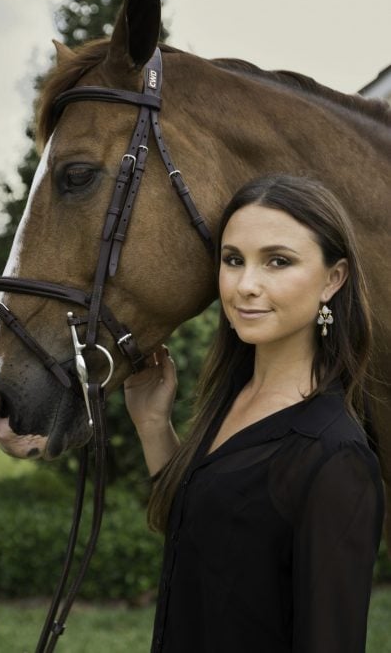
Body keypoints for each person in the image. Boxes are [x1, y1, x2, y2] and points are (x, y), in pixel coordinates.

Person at [124, 174, 385, 653]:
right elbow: (196, 527)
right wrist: (153, 425)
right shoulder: (231, 398)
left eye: (278, 262)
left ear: (333, 279)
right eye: (233, 260)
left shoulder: (334, 458)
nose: (246, 285)